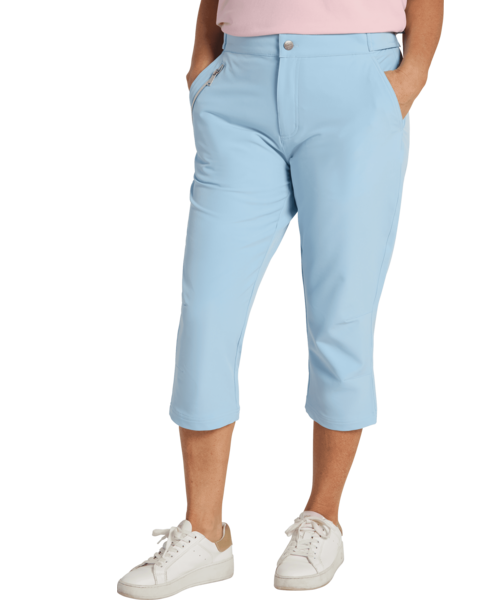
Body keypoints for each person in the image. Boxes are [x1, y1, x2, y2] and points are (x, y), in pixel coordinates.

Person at [117, 0, 444, 596]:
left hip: (357, 84)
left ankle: (323, 518)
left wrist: (410, 76)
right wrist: (203, 60)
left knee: (340, 315)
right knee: (207, 313)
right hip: (239, 85)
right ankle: (204, 532)